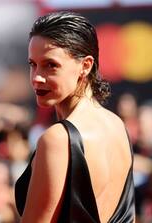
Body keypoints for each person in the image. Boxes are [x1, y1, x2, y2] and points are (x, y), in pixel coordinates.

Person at [14, 11, 135, 223]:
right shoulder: (117, 126)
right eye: (32, 64)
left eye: (51, 65)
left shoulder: (58, 139)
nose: (37, 77)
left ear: (85, 65)